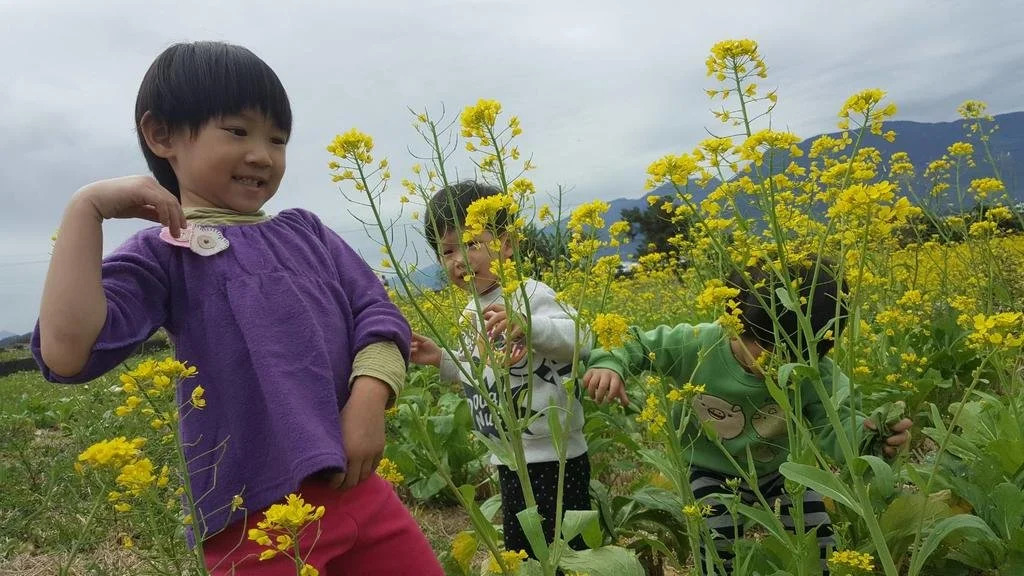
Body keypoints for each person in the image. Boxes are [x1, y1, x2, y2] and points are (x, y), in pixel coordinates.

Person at [32, 41, 442, 575]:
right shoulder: (165, 252)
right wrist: (86, 209)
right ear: (162, 135)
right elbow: (67, 353)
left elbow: (378, 316)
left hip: (360, 492)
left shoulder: (308, 233)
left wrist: (368, 401)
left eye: (277, 139)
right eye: (237, 131)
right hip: (249, 519)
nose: (262, 155)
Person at [583, 258, 913, 575]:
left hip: (784, 470)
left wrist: (873, 439)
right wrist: (609, 364)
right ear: (732, 322)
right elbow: (636, 343)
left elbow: (837, 427)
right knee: (716, 540)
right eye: (763, 345)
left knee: (819, 537)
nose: (773, 360)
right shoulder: (696, 344)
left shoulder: (816, 374)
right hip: (711, 469)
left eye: (790, 355)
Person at [409, 181, 592, 558]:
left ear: (507, 244)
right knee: (523, 553)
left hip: (555, 456)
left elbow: (583, 338)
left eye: (470, 243)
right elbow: (477, 368)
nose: (459, 259)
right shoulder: (468, 313)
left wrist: (530, 326)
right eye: (447, 251)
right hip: (508, 456)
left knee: (568, 554)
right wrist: (441, 357)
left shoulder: (531, 294)